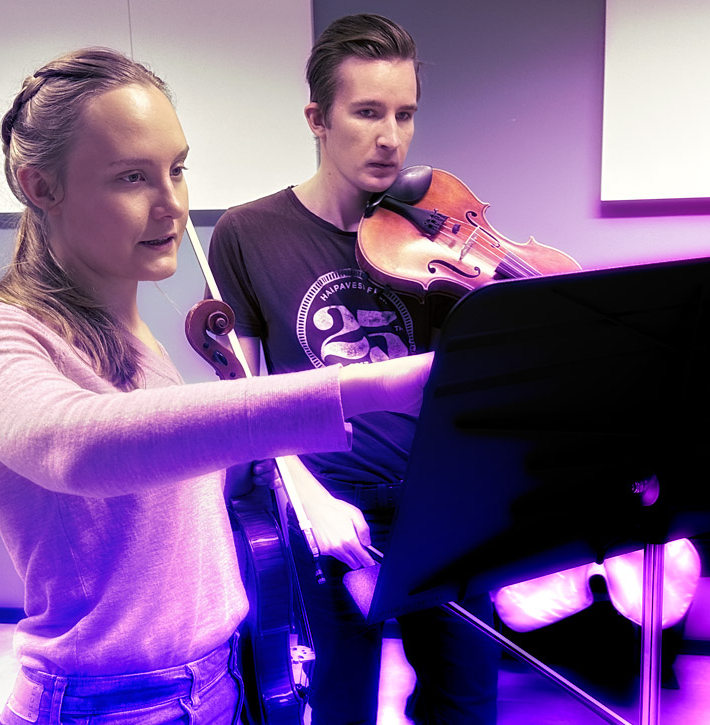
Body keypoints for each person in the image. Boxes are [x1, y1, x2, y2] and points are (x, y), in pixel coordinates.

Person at [0, 47, 433, 725]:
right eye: (132, 176)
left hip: (220, 681)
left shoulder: (139, 339)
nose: (171, 203)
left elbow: (168, 519)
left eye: (177, 169)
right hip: (110, 703)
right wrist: (367, 388)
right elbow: (74, 446)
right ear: (40, 185)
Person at [208, 15, 500, 724]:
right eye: (367, 112)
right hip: (329, 497)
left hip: (438, 498)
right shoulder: (248, 233)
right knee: (340, 704)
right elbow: (248, 397)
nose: (391, 137)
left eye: (405, 114)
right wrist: (307, 496)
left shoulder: (432, 230)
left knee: (468, 703)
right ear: (318, 119)